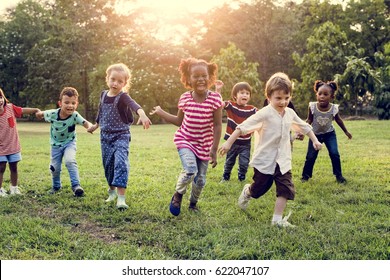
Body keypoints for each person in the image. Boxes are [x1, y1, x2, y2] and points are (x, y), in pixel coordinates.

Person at [218, 72, 322, 227]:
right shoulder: (264, 113)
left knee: (285, 188)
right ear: (269, 97)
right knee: (259, 189)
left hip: (283, 160)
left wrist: (315, 140)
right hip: (265, 160)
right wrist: (228, 144)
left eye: (286, 98)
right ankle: (248, 191)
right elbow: (242, 128)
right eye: (278, 98)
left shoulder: (290, 113)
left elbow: (304, 126)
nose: (283, 102)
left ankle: (277, 220)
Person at [150, 57, 223, 216]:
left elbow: (218, 125)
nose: (201, 79)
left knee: (201, 179)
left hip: (205, 144)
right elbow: (178, 121)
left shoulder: (215, 99)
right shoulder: (185, 98)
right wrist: (161, 112)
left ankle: (193, 203)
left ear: (209, 77)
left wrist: (214, 149)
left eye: (204, 75)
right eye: (196, 76)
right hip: (186, 140)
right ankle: (178, 195)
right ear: (188, 79)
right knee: (190, 170)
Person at [88, 63, 151, 210]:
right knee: (108, 165)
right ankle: (112, 192)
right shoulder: (103, 95)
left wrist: (142, 114)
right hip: (105, 137)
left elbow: (135, 105)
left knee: (120, 163)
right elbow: (101, 112)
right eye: (113, 79)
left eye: (120, 81)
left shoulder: (123, 97)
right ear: (107, 79)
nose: (115, 83)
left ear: (124, 83)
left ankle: (121, 199)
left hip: (121, 135)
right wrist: (95, 126)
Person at [36, 87, 92, 197]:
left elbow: (86, 123)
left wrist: (90, 127)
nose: (70, 106)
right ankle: (56, 186)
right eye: (66, 102)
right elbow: (41, 114)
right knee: (55, 168)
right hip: (55, 145)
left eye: (73, 103)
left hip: (69, 143)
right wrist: (38, 114)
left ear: (76, 104)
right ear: (60, 103)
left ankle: (76, 186)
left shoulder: (75, 115)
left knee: (70, 161)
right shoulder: (52, 114)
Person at [301, 80, 352, 184]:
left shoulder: (334, 108)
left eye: (325, 94)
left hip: (329, 134)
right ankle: (305, 176)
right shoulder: (312, 107)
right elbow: (309, 120)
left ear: (332, 96)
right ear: (316, 95)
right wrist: (303, 131)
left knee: (334, 154)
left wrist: (346, 132)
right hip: (315, 135)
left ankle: (339, 176)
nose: (322, 96)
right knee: (310, 156)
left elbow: (338, 120)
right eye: (319, 94)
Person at [0, 88, 41, 196]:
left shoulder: (10, 108)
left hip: (12, 145)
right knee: (1, 167)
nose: (0, 101)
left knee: (14, 167)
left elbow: (23, 110)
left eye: (0, 97)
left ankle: (14, 188)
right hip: (0, 147)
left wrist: (35, 110)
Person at [215, 80, 257, 182]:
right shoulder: (231, 105)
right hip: (232, 142)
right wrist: (218, 90)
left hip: (245, 143)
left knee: (244, 163)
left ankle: (241, 177)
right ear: (235, 95)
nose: (245, 95)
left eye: (247, 93)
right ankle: (226, 177)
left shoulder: (252, 110)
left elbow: (263, 115)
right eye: (242, 93)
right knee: (229, 162)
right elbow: (218, 103)